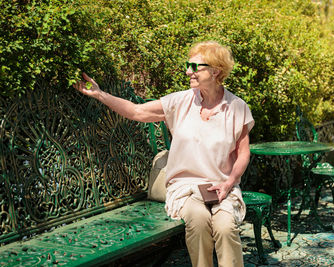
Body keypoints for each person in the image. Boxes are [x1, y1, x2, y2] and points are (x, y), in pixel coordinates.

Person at [74, 40, 254, 267]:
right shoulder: (180, 101)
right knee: (198, 222)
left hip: (222, 187)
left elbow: (243, 154)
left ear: (215, 71)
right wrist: (100, 95)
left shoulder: (237, 107)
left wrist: (228, 183)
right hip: (186, 188)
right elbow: (136, 111)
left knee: (226, 227)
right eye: (188, 65)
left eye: (195, 67)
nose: (188, 71)